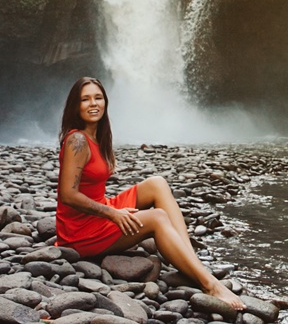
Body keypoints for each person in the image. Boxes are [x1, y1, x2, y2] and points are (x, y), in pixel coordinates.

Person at [55, 76, 244, 309]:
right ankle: (209, 285)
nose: (93, 104)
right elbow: (68, 195)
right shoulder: (77, 140)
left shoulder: (96, 136)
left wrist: (111, 210)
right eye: (85, 99)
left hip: (99, 211)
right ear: (76, 105)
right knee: (157, 218)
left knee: (157, 183)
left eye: (98, 97)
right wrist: (113, 214)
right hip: (80, 232)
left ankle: (192, 262)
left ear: (105, 101)